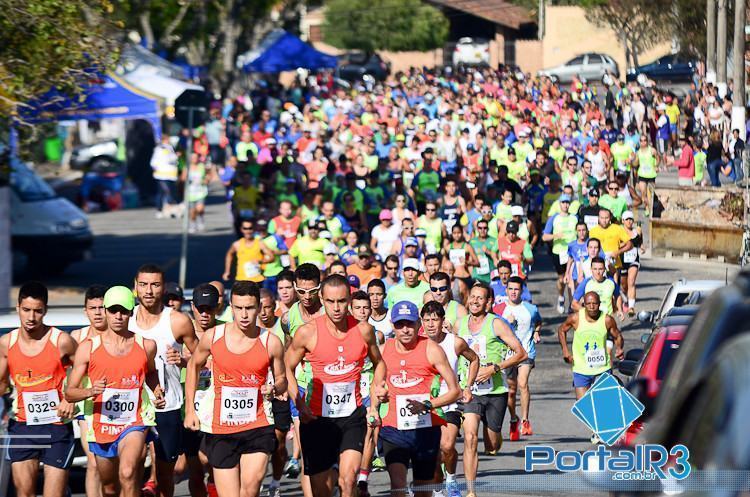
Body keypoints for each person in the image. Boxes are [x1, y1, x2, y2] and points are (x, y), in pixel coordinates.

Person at [184, 281, 287, 497]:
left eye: (249, 308)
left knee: (249, 489)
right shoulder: (213, 336)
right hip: (222, 428)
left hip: (257, 424)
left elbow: (282, 380)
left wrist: (274, 387)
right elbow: (194, 365)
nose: (244, 315)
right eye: (238, 308)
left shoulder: (271, 342)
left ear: (259, 308)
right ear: (231, 307)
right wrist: (190, 411)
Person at [284, 275, 383, 497]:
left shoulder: (363, 330)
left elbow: (380, 363)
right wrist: (298, 402)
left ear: (349, 299)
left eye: (341, 301)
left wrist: (379, 388)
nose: (336, 308)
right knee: (322, 490)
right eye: (330, 301)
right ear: (322, 298)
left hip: (352, 416)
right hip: (317, 418)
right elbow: (286, 367)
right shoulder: (307, 332)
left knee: (348, 481)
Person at [65, 286, 166, 497]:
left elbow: (150, 373)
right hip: (101, 423)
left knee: (128, 472)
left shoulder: (146, 345)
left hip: (134, 421)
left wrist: (157, 391)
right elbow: (70, 393)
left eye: (124, 311)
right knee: (109, 488)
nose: (118, 316)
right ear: (106, 311)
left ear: (132, 312)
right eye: (113, 310)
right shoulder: (88, 347)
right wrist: (92, 390)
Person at [371, 300, 462, 497]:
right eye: (399, 324)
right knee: (397, 485)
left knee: (423, 489)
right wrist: (374, 406)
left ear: (418, 324)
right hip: (393, 429)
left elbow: (456, 391)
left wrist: (428, 405)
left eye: (410, 324)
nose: (405, 329)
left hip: (425, 430)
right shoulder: (383, 350)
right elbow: (376, 385)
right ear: (392, 325)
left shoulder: (431, 349)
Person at [0, 282, 78, 497]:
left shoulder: (62, 341)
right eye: (26, 310)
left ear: (45, 311)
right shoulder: (6, 343)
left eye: (37, 311)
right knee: (24, 493)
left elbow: (87, 370)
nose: (31, 317)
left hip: (56, 426)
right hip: (23, 427)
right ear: (18, 308)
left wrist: (71, 399)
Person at [129, 264, 199, 497]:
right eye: (144, 285)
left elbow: (202, 361)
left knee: (165, 474)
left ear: (163, 288)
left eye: (155, 285)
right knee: (130, 469)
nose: (149, 290)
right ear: (135, 287)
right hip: (132, 408)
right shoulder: (124, 321)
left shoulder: (178, 321)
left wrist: (182, 360)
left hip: (167, 406)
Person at [456, 282, 527, 497]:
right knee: (469, 438)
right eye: (472, 297)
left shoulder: (496, 324)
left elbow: (520, 353)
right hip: (469, 391)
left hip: (495, 391)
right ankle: (470, 491)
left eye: (480, 298)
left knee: (492, 443)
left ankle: (495, 433)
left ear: (488, 302)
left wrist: (494, 368)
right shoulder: (459, 324)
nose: (475, 301)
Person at [420, 301, 478, 497]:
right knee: (433, 454)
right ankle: (436, 489)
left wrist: (468, 386)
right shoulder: (417, 343)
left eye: (434, 320)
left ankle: (451, 480)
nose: (430, 324)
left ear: (443, 321)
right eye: (426, 320)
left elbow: (474, 359)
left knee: (447, 445)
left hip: (450, 401)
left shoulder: (455, 342)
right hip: (424, 404)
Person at [179, 283, 221, 497]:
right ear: (192, 307)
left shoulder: (225, 331)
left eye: (210, 309)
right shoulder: (183, 334)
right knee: (194, 469)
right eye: (200, 308)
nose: (205, 314)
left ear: (218, 308)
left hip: (217, 404)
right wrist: (179, 362)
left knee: (214, 462)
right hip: (189, 406)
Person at [71, 285, 110, 497]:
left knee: (116, 464)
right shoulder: (77, 337)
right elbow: (66, 375)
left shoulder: (120, 334)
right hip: (88, 407)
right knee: (94, 461)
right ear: (85, 310)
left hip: (119, 406)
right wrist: (67, 399)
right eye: (92, 308)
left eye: (101, 307)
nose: (97, 313)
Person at [492, 277, 541, 441]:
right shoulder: (499, 309)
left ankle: (525, 420)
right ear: (506, 291)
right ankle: (514, 419)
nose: (513, 292)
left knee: (522, 383)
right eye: (510, 289)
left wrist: (536, 331)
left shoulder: (530, 308)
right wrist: (507, 322)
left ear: (522, 291)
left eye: (516, 289)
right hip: (507, 355)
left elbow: (538, 321)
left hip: (526, 352)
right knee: (511, 392)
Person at [558, 292, 624, 405]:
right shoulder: (576, 318)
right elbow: (561, 330)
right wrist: (565, 350)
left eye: (595, 303)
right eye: (588, 304)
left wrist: (619, 348)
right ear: (584, 304)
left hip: (602, 367)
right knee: (584, 406)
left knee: (603, 404)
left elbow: (617, 336)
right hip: (581, 368)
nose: (592, 306)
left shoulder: (607, 320)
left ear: (599, 304)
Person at [257, 288, 292, 497]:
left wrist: (283, 385)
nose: (263, 312)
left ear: (274, 306)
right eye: (259, 307)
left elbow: (288, 359)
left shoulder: (283, 326)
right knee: (258, 441)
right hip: (256, 392)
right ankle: (255, 477)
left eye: (268, 307)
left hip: (279, 391)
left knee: (278, 442)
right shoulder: (250, 329)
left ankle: (276, 482)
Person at [223, 218, 275, 283]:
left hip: (257, 280)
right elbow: (229, 254)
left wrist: (261, 261)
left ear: (254, 229)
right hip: (241, 280)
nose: (248, 231)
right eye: (245, 228)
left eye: (250, 228)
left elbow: (272, 257)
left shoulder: (260, 243)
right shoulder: (237, 244)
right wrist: (227, 271)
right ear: (241, 229)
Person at [588, 209, 633, 281]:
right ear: (598, 218)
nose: (604, 220)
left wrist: (618, 252)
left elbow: (630, 244)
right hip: (598, 266)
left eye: (606, 218)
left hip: (614, 265)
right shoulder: (593, 231)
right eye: (602, 218)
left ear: (610, 218)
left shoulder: (617, 228)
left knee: (614, 289)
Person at [619, 211, 643, 316]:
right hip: (623, 260)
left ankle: (631, 307)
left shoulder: (637, 231)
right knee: (624, 285)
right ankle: (625, 300)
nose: (629, 222)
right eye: (627, 219)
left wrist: (641, 246)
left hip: (634, 259)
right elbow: (617, 245)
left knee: (631, 281)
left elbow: (640, 242)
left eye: (631, 219)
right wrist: (626, 243)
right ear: (623, 221)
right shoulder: (619, 232)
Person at [151, 135, 179, 218]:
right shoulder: (163, 149)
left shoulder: (165, 148)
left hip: (168, 174)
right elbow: (170, 159)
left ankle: (164, 210)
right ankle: (162, 210)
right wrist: (176, 156)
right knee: (166, 192)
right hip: (164, 174)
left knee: (164, 192)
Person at [634, 136, 659, 217]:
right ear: (640, 142)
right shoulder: (638, 152)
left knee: (650, 194)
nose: (643, 142)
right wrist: (631, 160)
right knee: (643, 194)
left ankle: (651, 208)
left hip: (651, 175)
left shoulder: (652, 150)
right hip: (642, 175)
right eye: (641, 141)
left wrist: (656, 165)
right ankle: (647, 207)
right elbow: (636, 163)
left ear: (647, 141)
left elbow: (658, 158)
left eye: (645, 140)